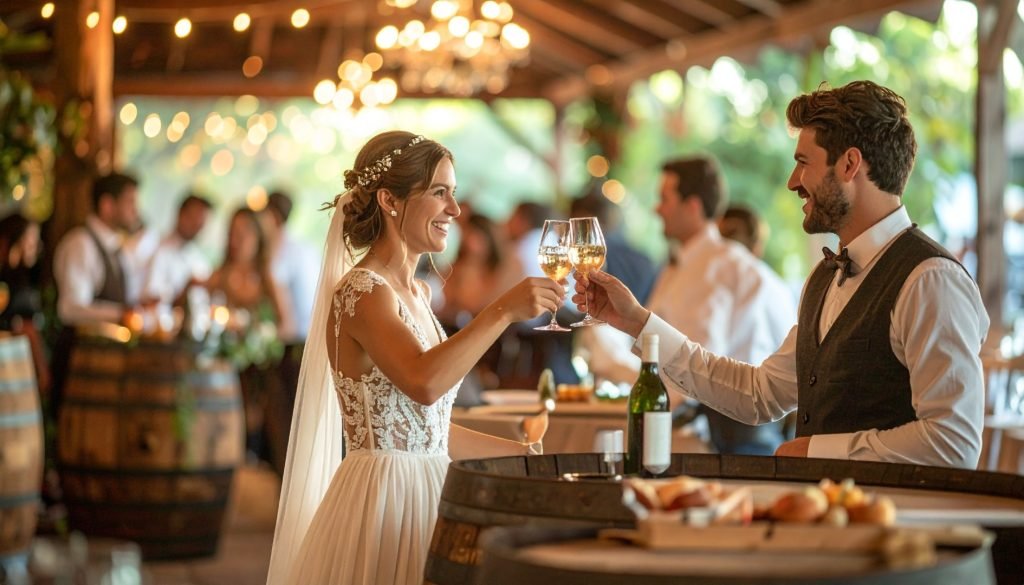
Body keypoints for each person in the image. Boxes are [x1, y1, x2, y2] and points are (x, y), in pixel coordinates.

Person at [573, 80, 989, 468]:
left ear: (849, 164)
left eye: (803, 163)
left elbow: (954, 441)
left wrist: (818, 451)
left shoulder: (929, 278)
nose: (793, 182)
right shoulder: (825, 278)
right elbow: (760, 395)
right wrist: (636, 323)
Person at [266, 131, 561, 585]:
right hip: (385, 499)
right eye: (439, 193)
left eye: (454, 194)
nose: (455, 211)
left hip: (432, 491)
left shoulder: (418, 294)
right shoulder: (362, 291)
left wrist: (524, 457)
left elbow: (427, 430)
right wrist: (501, 310)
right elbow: (424, 382)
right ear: (390, 200)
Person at [638, 156, 798, 455]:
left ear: (693, 206)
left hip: (734, 437)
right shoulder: (684, 265)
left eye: (664, 199)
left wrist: (646, 415)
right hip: (727, 425)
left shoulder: (715, 268)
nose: (656, 209)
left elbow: (697, 361)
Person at [51, 172, 145, 414]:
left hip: (110, 366)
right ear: (107, 205)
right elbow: (70, 309)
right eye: (130, 202)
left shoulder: (119, 249)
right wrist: (120, 314)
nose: (136, 210)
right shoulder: (80, 244)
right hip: (81, 364)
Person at [0, 212, 48, 394]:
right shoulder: (17, 284)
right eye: (32, 240)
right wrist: (42, 369)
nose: (36, 247)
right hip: (13, 367)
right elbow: (28, 328)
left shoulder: (21, 279)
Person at [141, 193, 213, 306]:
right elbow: (150, 297)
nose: (196, 224)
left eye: (201, 220)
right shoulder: (156, 247)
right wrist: (184, 291)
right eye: (193, 218)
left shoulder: (200, 260)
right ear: (180, 214)